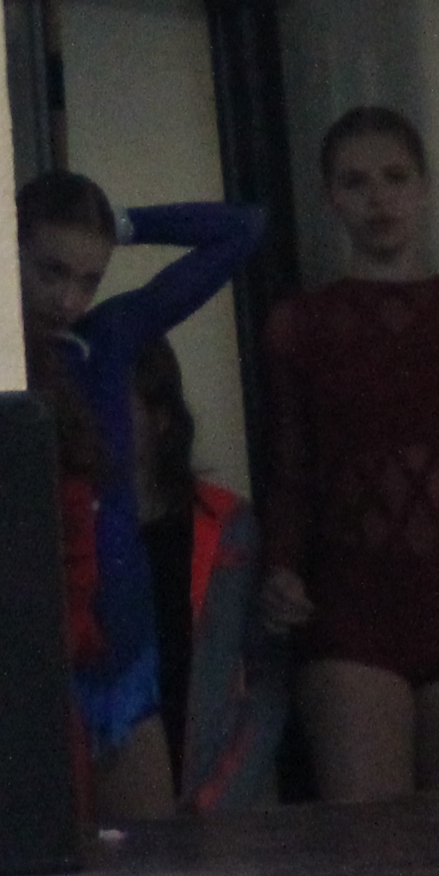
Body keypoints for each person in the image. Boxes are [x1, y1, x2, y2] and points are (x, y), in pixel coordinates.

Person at [258, 107, 439, 802]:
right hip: (351, 609)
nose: (379, 198)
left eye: (394, 178)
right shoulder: (300, 326)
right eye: (356, 182)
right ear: (331, 198)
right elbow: (292, 475)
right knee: (371, 846)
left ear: (423, 187)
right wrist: (279, 565)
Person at [12, 172, 261, 824]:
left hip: (123, 636)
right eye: (51, 271)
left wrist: (124, 224)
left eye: (88, 280)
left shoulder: (109, 336)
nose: (68, 298)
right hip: (36, 638)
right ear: (10, 250)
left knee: (152, 856)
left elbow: (244, 230)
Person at [130, 338, 284, 816]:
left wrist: (222, 792)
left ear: (160, 417)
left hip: (220, 792)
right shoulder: (78, 531)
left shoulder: (227, 523)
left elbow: (268, 677)